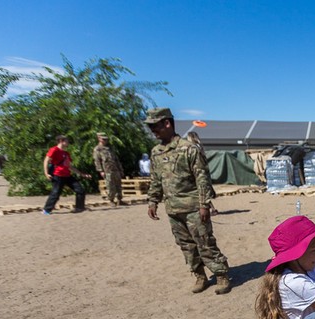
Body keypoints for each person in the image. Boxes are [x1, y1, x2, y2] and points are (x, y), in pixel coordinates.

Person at [145, 107, 231, 295]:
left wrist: (203, 204)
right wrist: (153, 201)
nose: (153, 130)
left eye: (155, 126)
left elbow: (202, 177)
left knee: (205, 242)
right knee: (186, 245)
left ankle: (221, 274)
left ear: (167, 123)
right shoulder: (156, 152)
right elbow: (156, 179)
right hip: (173, 209)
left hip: (193, 207)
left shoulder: (188, 148)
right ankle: (200, 275)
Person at [42, 135, 91, 214]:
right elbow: (46, 160)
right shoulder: (54, 149)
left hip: (67, 175)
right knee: (56, 193)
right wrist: (46, 173)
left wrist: (81, 174)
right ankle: (46, 210)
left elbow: (69, 166)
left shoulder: (66, 153)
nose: (68, 142)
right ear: (61, 141)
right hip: (57, 175)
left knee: (80, 190)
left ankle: (79, 208)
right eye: (67, 141)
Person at [186, 131, 218, 215]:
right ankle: (211, 208)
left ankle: (210, 209)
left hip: (198, 173)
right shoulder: (199, 147)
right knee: (203, 192)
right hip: (202, 172)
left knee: (202, 192)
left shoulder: (193, 148)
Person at [92, 133, 124, 206]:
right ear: (99, 138)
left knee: (118, 184)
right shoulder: (98, 149)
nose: (105, 140)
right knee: (110, 185)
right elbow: (97, 160)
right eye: (103, 139)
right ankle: (111, 200)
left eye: (106, 139)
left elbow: (116, 159)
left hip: (115, 168)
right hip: (107, 169)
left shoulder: (110, 147)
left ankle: (119, 199)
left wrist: (120, 169)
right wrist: (100, 170)